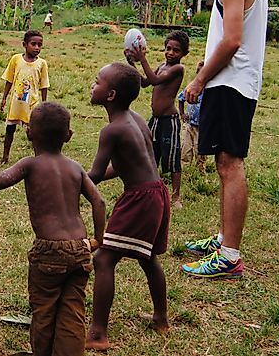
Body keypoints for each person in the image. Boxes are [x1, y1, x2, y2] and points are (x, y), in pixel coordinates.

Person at [0, 102, 106, 356]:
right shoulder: (75, 167)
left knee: (44, 310)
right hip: (80, 248)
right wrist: (97, 239)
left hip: (48, 250)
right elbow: (99, 201)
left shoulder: (30, 164)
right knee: (73, 310)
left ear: (29, 132)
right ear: (69, 136)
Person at [181, 0, 267, 279]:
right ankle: (223, 239)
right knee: (224, 162)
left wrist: (199, 79)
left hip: (230, 84)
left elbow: (232, 41)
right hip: (237, 81)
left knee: (230, 164)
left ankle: (229, 255)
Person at [85, 63, 170, 350]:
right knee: (147, 258)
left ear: (110, 95)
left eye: (97, 82)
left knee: (103, 260)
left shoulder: (111, 130)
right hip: (156, 192)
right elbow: (128, 165)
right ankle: (161, 319)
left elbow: (96, 174)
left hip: (140, 199)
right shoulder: (136, 119)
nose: (92, 85)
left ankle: (98, 334)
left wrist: (73, 177)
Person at [126, 30, 189, 208]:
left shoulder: (178, 69)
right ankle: (151, 189)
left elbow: (153, 80)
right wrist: (131, 62)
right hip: (156, 120)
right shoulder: (162, 65)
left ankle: (176, 197)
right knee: (151, 154)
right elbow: (145, 82)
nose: (170, 53)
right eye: (168, 48)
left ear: (184, 54)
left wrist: (142, 58)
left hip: (170, 121)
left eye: (176, 50)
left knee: (173, 157)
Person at [0, 30, 50, 165]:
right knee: (10, 129)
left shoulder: (42, 63)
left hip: (32, 103)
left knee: (35, 132)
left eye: (40, 45)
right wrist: (4, 98)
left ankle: (39, 159)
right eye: (33, 44)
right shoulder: (16, 59)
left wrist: (44, 105)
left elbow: (44, 85)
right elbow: (9, 80)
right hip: (16, 103)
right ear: (24, 44)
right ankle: (5, 157)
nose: (37, 48)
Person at [179, 62, 206, 173]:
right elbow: (181, 99)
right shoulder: (192, 87)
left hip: (203, 127)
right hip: (189, 124)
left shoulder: (211, 91)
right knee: (186, 148)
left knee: (200, 151)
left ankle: (201, 171)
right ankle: (185, 172)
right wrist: (182, 114)